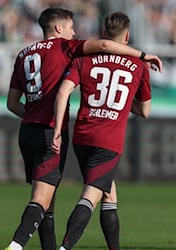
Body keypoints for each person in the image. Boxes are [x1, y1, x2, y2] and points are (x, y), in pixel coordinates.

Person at [5, 7, 162, 250]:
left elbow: (12, 103)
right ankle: (17, 246)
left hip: (29, 131)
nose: (74, 32)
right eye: (71, 27)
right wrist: (142, 55)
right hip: (57, 132)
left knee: (51, 200)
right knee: (43, 200)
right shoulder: (67, 49)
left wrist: (34, 115)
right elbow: (107, 47)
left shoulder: (24, 53)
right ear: (58, 28)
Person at [52, 11, 155, 250]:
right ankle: (65, 247)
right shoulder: (139, 66)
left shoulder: (82, 60)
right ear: (127, 36)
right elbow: (145, 111)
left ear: (103, 33)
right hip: (108, 141)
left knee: (109, 194)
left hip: (83, 136)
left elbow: (64, 90)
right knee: (91, 195)